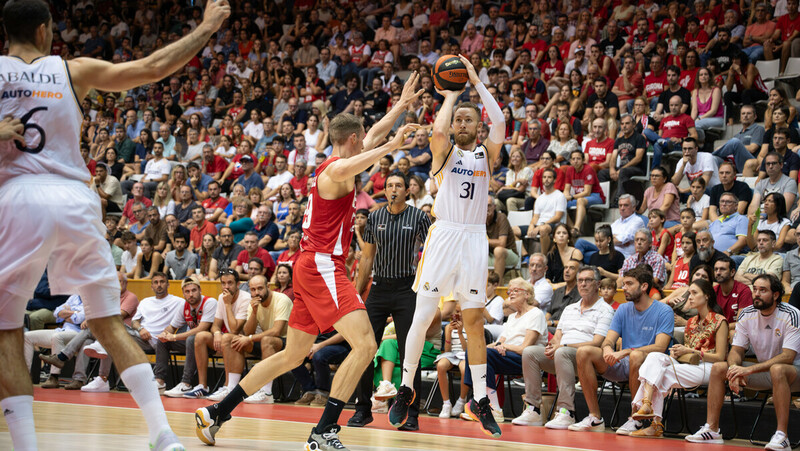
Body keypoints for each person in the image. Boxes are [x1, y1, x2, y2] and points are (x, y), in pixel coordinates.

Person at [195, 72, 425, 450]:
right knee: (366, 345)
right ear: (352, 139)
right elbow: (371, 150)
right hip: (321, 266)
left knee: (293, 353)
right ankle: (323, 432)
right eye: (362, 136)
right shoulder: (335, 169)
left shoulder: (337, 161)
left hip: (306, 265)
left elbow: (374, 136)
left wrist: (400, 107)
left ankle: (217, 412)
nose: (367, 138)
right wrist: (393, 146)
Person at [388, 56, 505, 438]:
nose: (462, 124)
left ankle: (479, 400)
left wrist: (476, 82)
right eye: (459, 120)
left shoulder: (486, 154)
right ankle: (406, 390)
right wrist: (452, 96)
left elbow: (501, 123)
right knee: (423, 317)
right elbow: (438, 130)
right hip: (445, 235)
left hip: (474, 238)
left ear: (478, 126)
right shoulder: (446, 153)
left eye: (470, 119)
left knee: (473, 321)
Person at [348, 172, 431, 430]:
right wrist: (357, 291)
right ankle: (363, 409)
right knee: (364, 347)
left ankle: (412, 414)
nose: (393, 189)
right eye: (389, 185)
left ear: (408, 191)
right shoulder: (375, 217)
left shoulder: (419, 217)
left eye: (399, 185)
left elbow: (432, 253)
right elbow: (367, 257)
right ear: (385, 191)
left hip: (408, 289)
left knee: (410, 353)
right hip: (380, 288)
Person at [685, 274, 800, 451]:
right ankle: (712, 429)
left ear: (776, 295)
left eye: (763, 290)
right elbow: (737, 350)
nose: (757, 294)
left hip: (793, 373)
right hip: (764, 372)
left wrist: (749, 370)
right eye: (755, 289)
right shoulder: (747, 314)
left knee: (778, 369)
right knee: (719, 367)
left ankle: (782, 436)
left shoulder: (791, 314)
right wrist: (733, 370)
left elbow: (788, 357)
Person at [569, 265, 673, 435]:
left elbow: (660, 347)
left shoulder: (663, 310)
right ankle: (595, 417)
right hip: (623, 363)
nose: (623, 288)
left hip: (649, 367)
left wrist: (625, 351)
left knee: (636, 355)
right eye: (623, 284)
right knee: (584, 351)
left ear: (644, 287)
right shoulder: (623, 309)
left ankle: (635, 420)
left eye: (629, 284)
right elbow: (608, 340)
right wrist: (608, 350)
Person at [513, 266, 615, 429]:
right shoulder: (569, 309)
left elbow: (597, 343)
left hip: (587, 360)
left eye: (588, 280)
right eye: (580, 280)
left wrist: (562, 346)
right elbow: (558, 338)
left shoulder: (606, 310)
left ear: (598, 284)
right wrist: (551, 347)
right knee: (530, 352)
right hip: (562, 354)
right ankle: (533, 409)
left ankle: (566, 411)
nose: (583, 284)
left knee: (562, 351)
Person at [628, 279, 729, 438]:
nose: (690, 297)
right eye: (689, 293)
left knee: (661, 374)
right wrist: (678, 353)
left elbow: (720, 357)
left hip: (710, 367)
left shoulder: (720, 321)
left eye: (695, 293)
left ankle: (653, 422)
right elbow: (688, 355)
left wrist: (691, 351)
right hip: (690, 365)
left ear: (707, 296)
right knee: (655, 357)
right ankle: (647, 404)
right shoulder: (691, 322)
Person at [463, 278, 548, 422]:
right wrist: (494, 346)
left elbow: (525, 348)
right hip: (507, 355)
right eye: (510, 291)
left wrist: (505, 347)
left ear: (527, 294)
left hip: (527, 359)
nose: (511, 294)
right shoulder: (512, 317)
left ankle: (492, 408)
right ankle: (485, 403)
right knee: (474, 352)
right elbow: (500, 341)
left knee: (487, 355)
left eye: (516, 290)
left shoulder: (536, 314)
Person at [159, 276, 218, 398]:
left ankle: (186, 383)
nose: (191, 294)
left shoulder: (210, 302)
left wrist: (174, 337)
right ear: (183, 293)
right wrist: (165, 334)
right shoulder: (184, 306)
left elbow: (201, 329)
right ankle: (159, 381)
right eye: (187, 291)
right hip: (193, 344)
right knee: (163, 341)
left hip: (211, 343)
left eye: (194, 290)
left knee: (193, 338)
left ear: (200, 290)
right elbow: (172, 327)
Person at [611, 194, 646, 258]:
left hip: (625, 256)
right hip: (611, 253)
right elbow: (605, 238)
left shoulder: (637, 221)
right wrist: (621, 241)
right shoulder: (616, 223)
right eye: (620, 205)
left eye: (626, 205)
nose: (622, 208)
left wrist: (614, 237)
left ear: (634, 207)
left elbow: (619, 240)